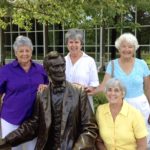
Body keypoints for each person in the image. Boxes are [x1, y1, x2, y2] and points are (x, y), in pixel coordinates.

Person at [0, 51, 98, 150]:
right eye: (55, 67)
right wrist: (6, 141)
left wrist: (78, 148)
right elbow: (33, 125)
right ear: (46, 70)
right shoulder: (41, 94)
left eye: (62, 65)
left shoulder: (79, 92)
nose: (60, 70)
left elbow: (90, 127)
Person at [90, 33, 150, 144]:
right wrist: (88, 92)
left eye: (130, 46)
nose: (127, 49)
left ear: (134, 48)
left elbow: (148, 89)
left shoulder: (142, 64)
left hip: (140, 106)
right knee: (124, 138)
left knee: (142, 139)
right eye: (124, 46)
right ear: (119, 48)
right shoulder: (112, 64)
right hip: (120, 106)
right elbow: (103, 86)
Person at [0, 35, 49, 150]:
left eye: (27, 50)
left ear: (32, 52)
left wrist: (46, 87)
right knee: (13, 148)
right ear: (15, 53)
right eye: (21, 51)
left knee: (34, 148)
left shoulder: (40, 69)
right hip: (11, 120)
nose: (24, 54)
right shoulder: (6, 70)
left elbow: (49, 86)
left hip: (33, 121)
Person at [96, 78, 148, 150]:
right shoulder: (100, 110)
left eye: (116, 90)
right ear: (105, 92)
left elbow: (142, 145)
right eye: (109, 90)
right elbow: (99, 140)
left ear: (123, 93)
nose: (112, 93)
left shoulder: (134, 113)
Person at [65, 28, 99, 111]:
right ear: (67, 44)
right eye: (71, 42)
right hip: (65, 104)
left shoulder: (89, 61)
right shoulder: (63, 61)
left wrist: (89, 88)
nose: (73, 45)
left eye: (76, 42)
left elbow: (94, 84)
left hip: (84, 105)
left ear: (81, 44)